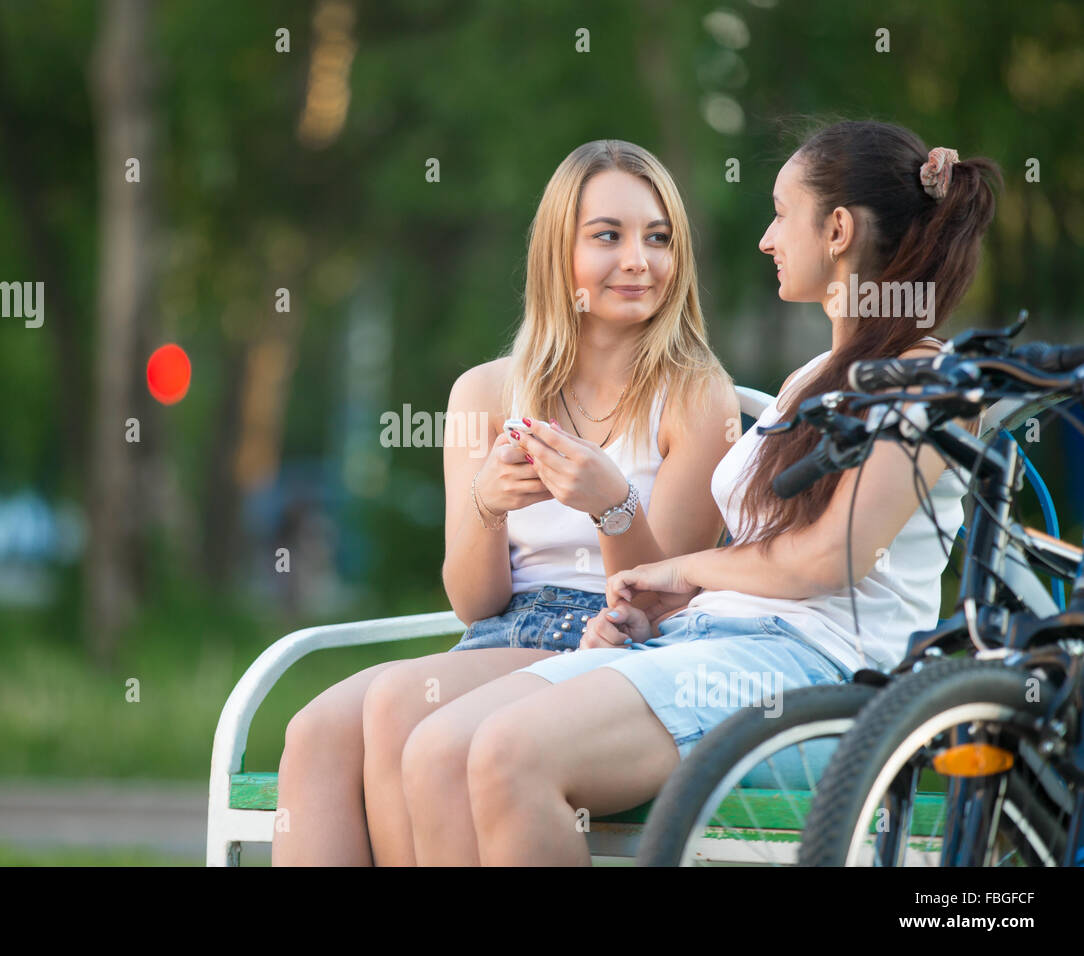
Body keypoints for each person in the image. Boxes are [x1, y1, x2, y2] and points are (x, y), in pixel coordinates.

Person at [386, 120, 1002, 864]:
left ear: (837, 229)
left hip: (818, 671)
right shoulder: (811, 380)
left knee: (507, 754)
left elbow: (822, 562)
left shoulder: (931, 384)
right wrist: (656, 610)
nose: (767, 239)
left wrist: (680, 571)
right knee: (435, 748)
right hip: (709, 642)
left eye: (780, 214)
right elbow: (761, 556)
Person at [272, 140, 737, 865]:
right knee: (313, 732)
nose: (639, 261)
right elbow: (473, 602)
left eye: (658, 238)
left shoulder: (698, 394)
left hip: (614, 641)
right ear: (559, 251)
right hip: (505, 633)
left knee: (398, 704)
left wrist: (612, 504)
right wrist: (486, 506)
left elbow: (657, 600)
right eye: (607, 236)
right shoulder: (482, 394)